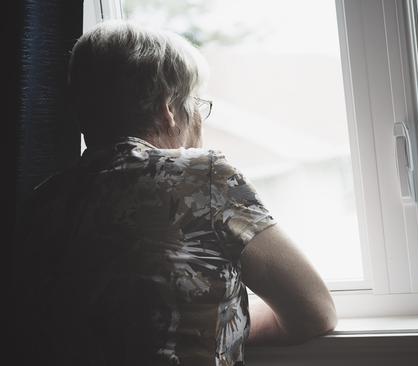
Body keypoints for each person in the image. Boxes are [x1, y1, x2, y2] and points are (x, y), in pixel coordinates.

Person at [13, 20, 336, 366]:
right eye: (195, 102)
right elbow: (315, 311)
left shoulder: (40, 204)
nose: (198, 116)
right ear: (169, 108)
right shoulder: (204, 177)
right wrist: (225, 325)